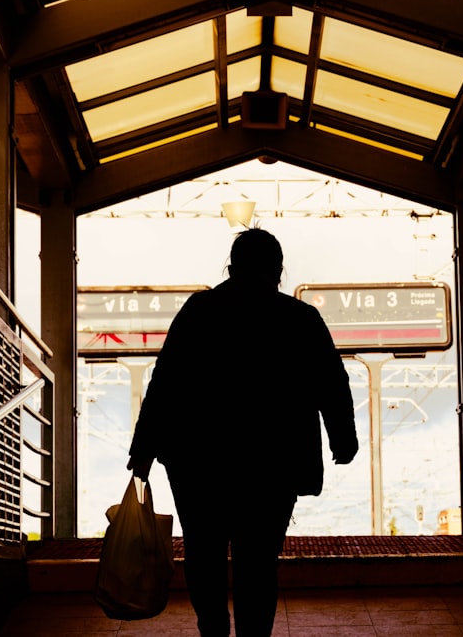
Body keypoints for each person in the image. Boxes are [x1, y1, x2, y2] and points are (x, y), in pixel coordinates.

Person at [127, 227, 358, 637]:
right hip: (273, 463)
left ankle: (213, 630)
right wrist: (342, 436)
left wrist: (144, 447)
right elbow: (331, 382)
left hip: (199, 462)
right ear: (279, 271)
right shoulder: (299, 317)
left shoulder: (200, 311)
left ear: (231, 268)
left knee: (204, 552)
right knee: (258, 560)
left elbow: (166, 381)